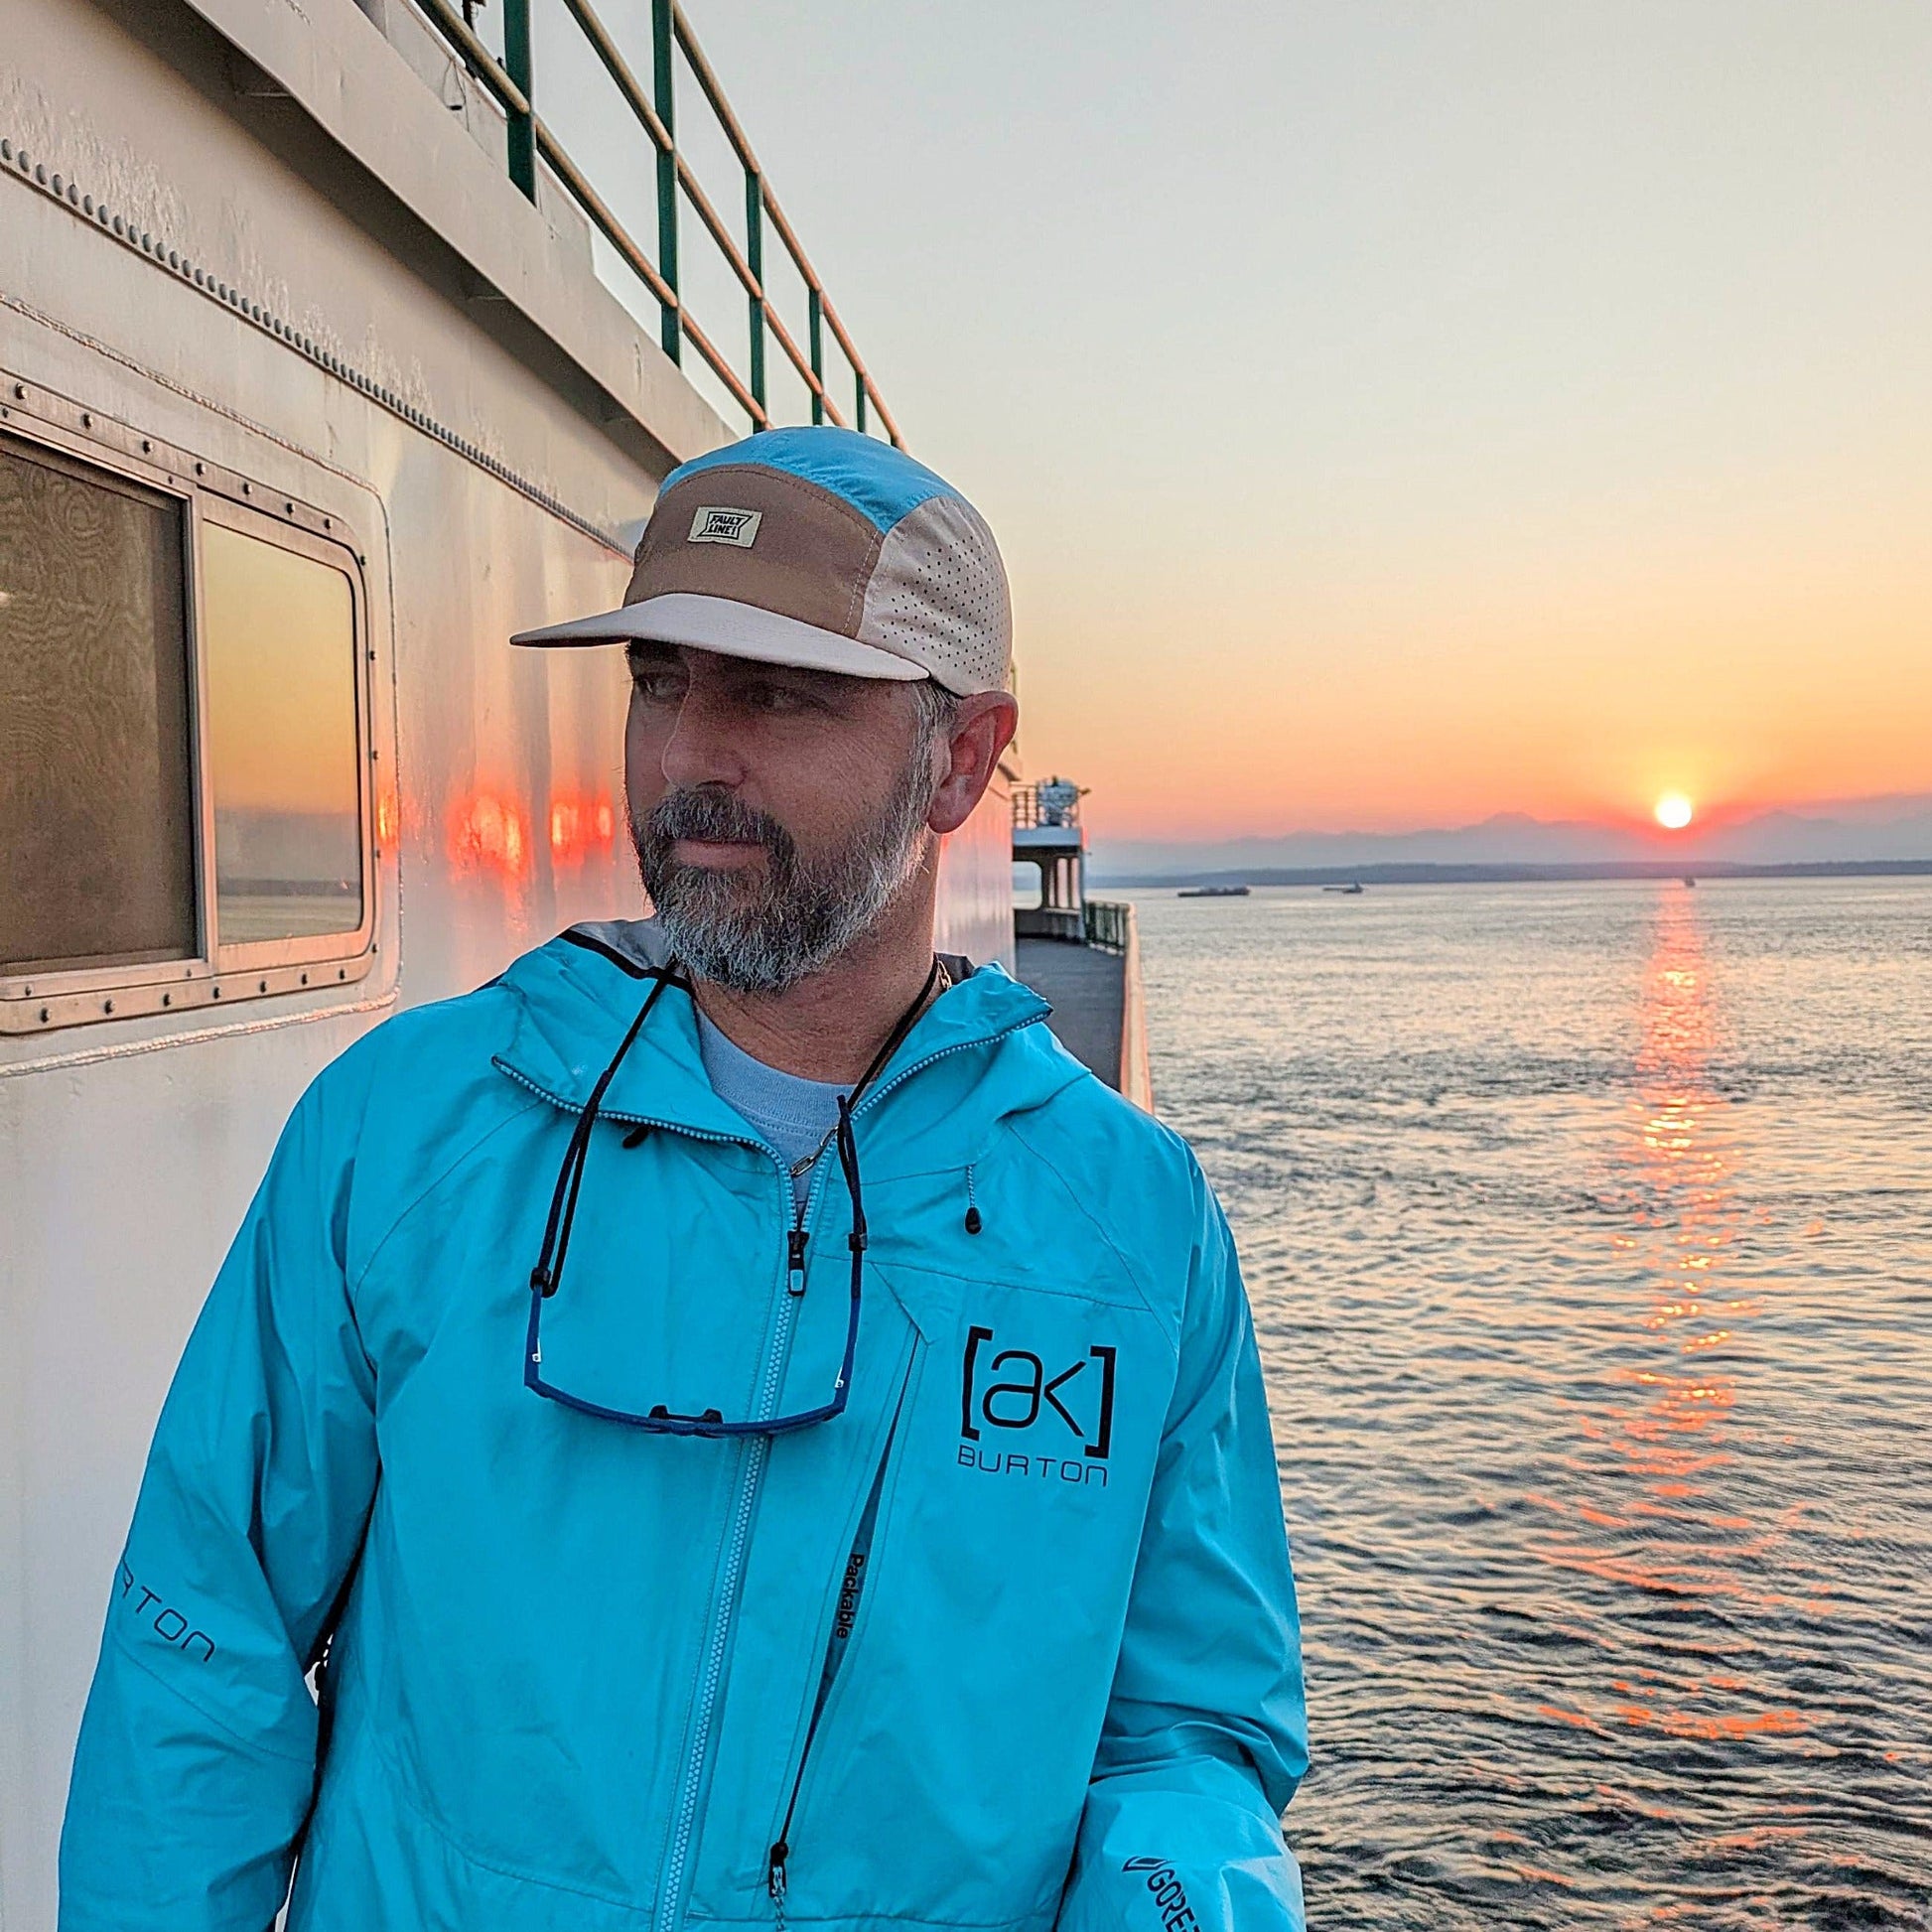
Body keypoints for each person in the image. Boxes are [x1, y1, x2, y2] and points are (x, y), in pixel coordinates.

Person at [59, 427, 1309, 1931]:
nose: (688, 760)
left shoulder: (1132, 1227)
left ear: (961, 759)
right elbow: (203, 1641)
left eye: (777, 693)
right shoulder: (407, 1130)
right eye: (660, 683)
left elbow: (1184, 1729)